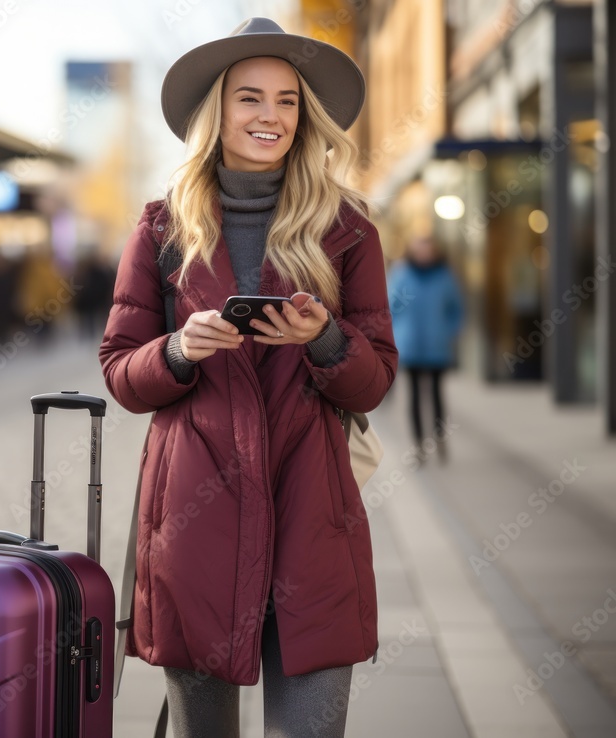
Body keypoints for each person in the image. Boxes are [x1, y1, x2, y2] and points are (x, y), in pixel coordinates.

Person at [99, 18, 398, 738]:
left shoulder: (348, 227)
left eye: (288, 101)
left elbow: (375, 381)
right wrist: (180, 350)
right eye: (251, 98)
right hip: (194, 525)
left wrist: (324, 338)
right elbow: (121, 370)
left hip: (312, 522)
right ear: (218, 111)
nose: (271, 116)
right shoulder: (162, 227)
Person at [387, 235, 464, 462]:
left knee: (437, 394)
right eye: (420, 249)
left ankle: (439, 438)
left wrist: (448, 331)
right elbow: (389, 308)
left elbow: (456, 308)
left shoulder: (444, 276)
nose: (424, 254)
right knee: (414, 397)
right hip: (409, 347)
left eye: (428, 249)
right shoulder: (402, 275)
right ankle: (419, 444)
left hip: (437, 346)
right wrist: (396, 334)